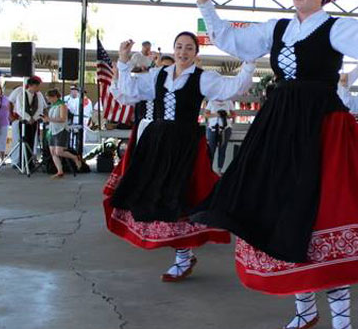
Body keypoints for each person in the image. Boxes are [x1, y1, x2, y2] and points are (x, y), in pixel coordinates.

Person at [192, 0, 358, 329]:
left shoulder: (335, 28)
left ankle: (342, 328)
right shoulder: (278, 28)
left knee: (324, 219)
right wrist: (204, 0)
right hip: (279, 130)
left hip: (322, 131)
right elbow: (229, 39)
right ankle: (305, 311)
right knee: (284, 216)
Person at [105, 33, 254, 282]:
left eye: (188, 48)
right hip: (159, 142)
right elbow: (130, 94)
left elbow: (234, 87)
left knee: (184, 197)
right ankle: (183, 255)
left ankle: (183, 257)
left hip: (186, 144)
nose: (183, 52)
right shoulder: (158, 75)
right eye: (179, 47)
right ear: (173, 50)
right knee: (155, 196)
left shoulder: (203, 77)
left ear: (196, 52)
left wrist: (248, 63)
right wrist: (123, 62)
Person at [10, 76, 46, 171]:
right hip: (24, 121)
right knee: (23, 142)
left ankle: (30, 163)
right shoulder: (21, 94)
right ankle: (22, 162)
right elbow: (20, 108)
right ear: (31, 85)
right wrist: (28, 118)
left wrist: (34, 118)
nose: (38, 88)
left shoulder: (38, 95)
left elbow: (40, 108)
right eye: (36, 86)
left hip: (34, 122)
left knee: (31, 142)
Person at [44, 89, 82, 179]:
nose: (48, 100)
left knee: (59, 151)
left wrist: (49, 119)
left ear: (54, 97)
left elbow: (62, 118)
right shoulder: (53, 106)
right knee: (53, 152)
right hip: (52, 130)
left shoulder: (62, 105)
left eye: (49, 98)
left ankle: (75, 157)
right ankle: (59, 171)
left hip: (61, 129)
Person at [205, 98, 234, 173]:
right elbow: (206, 114)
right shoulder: (211, 101)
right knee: (211, 149)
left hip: (225, 128)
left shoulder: (229, 101)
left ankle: (219, 170)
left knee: (222, 149)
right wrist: (217, 114)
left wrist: (226, 115)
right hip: (213, 128)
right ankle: (209, 170)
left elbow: (233, 114)